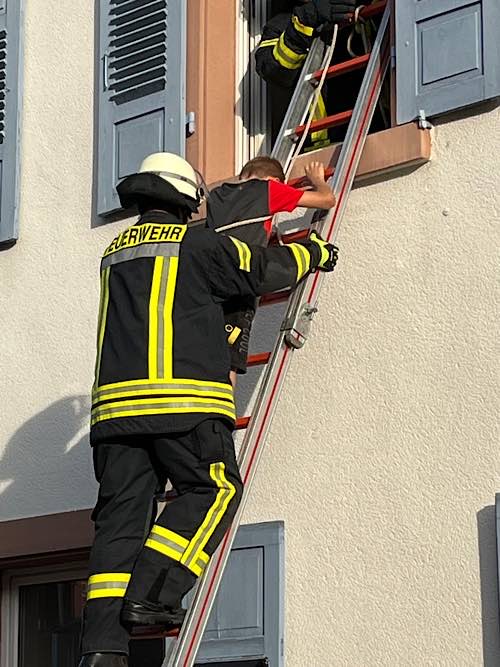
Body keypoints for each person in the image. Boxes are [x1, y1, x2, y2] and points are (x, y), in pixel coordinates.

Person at [79, 152, 339, 666]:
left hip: (115, 415)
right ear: (184, 197)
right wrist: (312, 251)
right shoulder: (194, 243)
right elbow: (260, 270)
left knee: (119, 526)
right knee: (216, 488)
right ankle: (153, 594)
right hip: (183, 401)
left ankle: (102, 650)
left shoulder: (113, 252)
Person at [206, 155, 335, 386]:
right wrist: (318, 180)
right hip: (241, 288)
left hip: (209, 287)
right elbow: (327, 199)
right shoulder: (268, 190)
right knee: (229, 363)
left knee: (211, 357)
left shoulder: (217, 197)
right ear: (273, 180)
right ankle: (224, 419)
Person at [255, 0, 356, 144]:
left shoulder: (350, 5)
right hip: (321, 146)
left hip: (372, 126)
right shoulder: (282, 23)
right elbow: (272, 68)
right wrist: (303, 24)